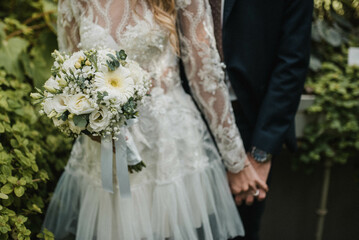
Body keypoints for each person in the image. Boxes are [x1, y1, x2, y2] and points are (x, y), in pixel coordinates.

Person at [42, 0, 269, 239]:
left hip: (167, 148)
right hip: (102, 151)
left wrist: (236, 161)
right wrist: (88, 120)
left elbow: (205, 76)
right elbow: (70, 71)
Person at [208, 0, 313, 239]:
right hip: (181, 123)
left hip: (247, 125)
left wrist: (260, 154)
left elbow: (292, 62)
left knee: (237, 232)